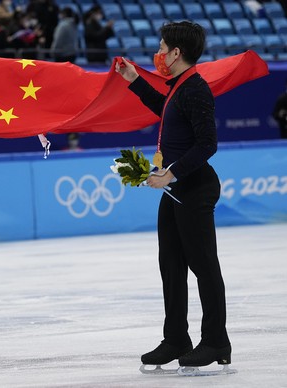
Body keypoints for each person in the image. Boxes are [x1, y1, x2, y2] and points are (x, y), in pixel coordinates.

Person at [116, 21, 233, 372]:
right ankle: (176, 339)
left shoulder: (196, 88)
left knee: (203, 265)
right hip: (177, 190)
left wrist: (172, 172)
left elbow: (207, 143)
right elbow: (165, 109)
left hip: (194, 188)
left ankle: (215, 341)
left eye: (163, 47)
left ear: (177, 52)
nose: (159, 53)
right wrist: (134, 80)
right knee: (171, 266)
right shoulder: (180, 86)